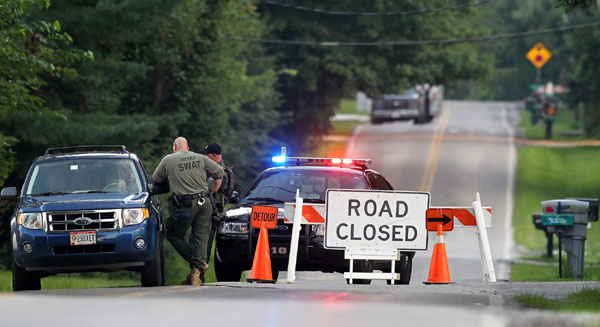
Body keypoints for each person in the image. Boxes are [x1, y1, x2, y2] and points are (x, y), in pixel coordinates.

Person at [152, 137, 225, 286]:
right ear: (188, 147)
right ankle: (196, 274)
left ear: (174, 147)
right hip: (205, 202)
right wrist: (214, 188)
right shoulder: (200, 158)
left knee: (172, 232)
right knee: (201, 237)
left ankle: (196, 263)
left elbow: (157, 179)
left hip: (186, 205)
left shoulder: (168, 159)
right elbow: (219, 172)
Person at [200, 143, 234, 282]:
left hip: (213, 210)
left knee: (205, 243)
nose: (204, 158)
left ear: (214, 156)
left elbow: (208, 189)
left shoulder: (218, 171)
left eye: (207, 155)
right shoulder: (224, 169)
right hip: (217, 209)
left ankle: (199, 275)